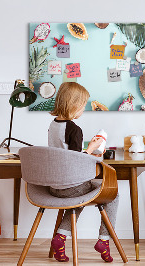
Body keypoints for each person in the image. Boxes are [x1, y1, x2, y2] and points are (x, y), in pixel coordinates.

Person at [48, 82, 118, 263]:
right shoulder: (74, 129)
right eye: (82, 106)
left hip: (54, 186)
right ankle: (104, 240)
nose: (83, 110)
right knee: (113, 194)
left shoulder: (53, 125)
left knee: (78, 197)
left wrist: (87, 150)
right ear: (73, 105)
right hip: (71, 186)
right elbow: (76, 161)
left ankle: (60, 238)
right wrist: (93, 148)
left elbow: (65, 154)